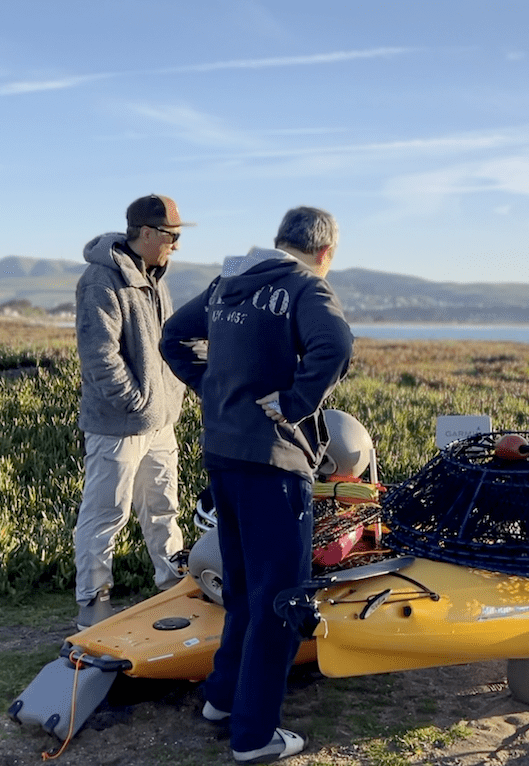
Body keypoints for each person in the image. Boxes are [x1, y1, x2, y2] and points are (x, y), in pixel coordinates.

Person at [161, 206, 353, 764]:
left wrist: (214, 388)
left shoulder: (229, 283)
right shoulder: (303, 289)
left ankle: (222, 699)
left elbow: (174, 336)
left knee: (244, 589)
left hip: (223, 454)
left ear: (279, 240)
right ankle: (254, 736)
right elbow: (336, 347)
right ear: (325, 253)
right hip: (274, 465)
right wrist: (293, 403)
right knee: (281, 597)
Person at [73, 194, 190, 631]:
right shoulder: (101, 281)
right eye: (172, 236)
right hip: (120, 425)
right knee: (106, 512)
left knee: (163, 507)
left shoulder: (155, 277)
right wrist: (136, 401)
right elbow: (99, 356)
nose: (176, 245)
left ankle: (174, 585)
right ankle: (93, 600)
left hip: (160, 423)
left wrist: (171, 396)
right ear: (147, 233)